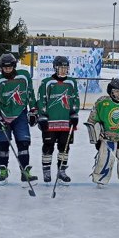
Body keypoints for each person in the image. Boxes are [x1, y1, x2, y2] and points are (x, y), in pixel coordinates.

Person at [0, 53, 39, 185]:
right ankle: (3, 171)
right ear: (0, 67)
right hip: (3, 116)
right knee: (3, 144)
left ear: (14, 66)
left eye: (10, 67)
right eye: (4, 68)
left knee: (23, 143)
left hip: (20, 114)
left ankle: (25, 172)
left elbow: (30, 94)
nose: (7, 70)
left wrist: (33, 111)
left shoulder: (24, 76)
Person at [86, 77, 119, 187]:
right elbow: (92, 120)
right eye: (117, 91)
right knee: (104, 158)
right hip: (106, 138)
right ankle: (101, 178)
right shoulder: (102, 102)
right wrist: (96, 136)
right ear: (110, 91)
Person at [36, 55, 80, 184]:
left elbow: (75, 99)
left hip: (66, 121)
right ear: (55, 68)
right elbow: (41, 100)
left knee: (64, 147)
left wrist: (74, 113)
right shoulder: (47, 82)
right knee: (48, 146)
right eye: (60, 68)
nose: (63, 70)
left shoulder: (72, 82)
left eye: (65, 68)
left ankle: (62, 171)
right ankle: (46, 170)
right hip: (50, 121)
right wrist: (42, 116)